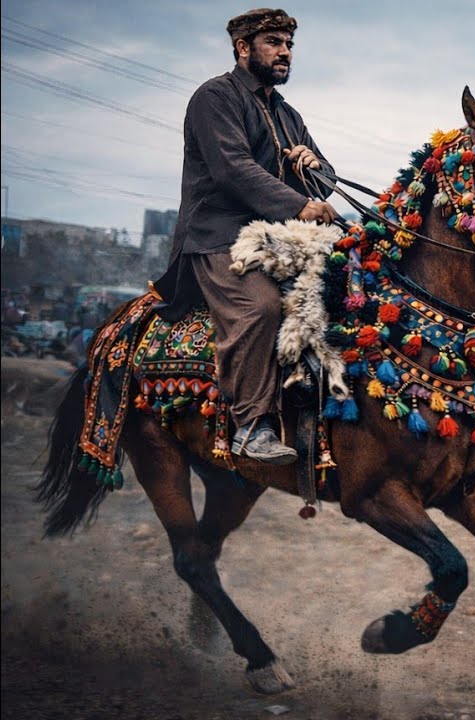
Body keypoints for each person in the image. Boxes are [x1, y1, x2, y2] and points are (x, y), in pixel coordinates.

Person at [152, 8, 338, 464]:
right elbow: (233, 171)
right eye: (274, 42)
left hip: (277, 239)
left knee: (343, 293)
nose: (285, 52)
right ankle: (251, 428)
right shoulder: (215, 97)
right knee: (261, 307)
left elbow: (329, 176)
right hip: (218, 236)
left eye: (289, 45)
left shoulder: (287, 114)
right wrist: (300, 204)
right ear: (242, 48)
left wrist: (313, 168)